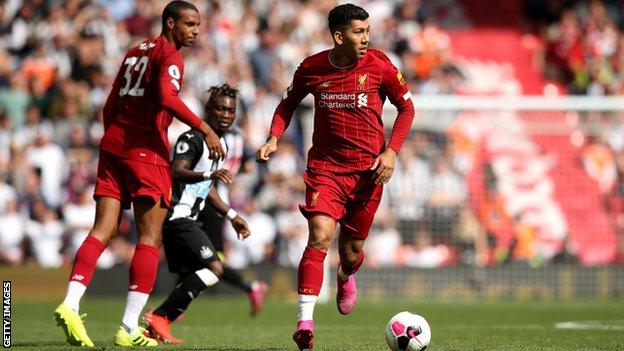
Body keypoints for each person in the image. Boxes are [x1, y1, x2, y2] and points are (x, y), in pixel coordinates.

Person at [53, 1, 225, 347]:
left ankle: (70, 303)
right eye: (189, 24)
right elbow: (166, 97)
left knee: (101, 229)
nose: (195, 31)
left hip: (114, 146)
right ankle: (128, 327)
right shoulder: (170, 56)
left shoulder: (135, 52)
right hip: (146, 153)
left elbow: (109, 105)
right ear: (171, 22)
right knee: (149, 240)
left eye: (198, 25)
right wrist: (205, 127)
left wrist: (114, 140)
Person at [256, 3, 415, 350]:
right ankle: (305, 321)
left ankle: (345, 275)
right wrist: (273, 136)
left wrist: (391, 153)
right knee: (318, 236)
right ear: (339, 36)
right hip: (326, 169)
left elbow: (406, 108)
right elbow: (288, 104)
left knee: (352, 251)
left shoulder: (381, 65)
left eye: (368, 31)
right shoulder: (312, 67)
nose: (366, 38)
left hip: (369, 174)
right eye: (359, 32)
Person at [144, 84, 251, 344]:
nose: (226, 114)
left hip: (190, 220)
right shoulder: (191, 139)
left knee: (204, 273)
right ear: (207, 110)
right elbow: (176, 171)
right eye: (220, 108)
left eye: (231, 110)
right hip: (176, 218)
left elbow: (207, 188)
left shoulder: (220, 143)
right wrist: (208, 174)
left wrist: (232, 215)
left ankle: (154, 329)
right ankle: (160, 316)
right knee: (214, 268)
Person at [198, 130, 268, 317]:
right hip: (217, 201)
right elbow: (248, 167)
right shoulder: (237, 136)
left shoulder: (214, 135)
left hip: (208, 201)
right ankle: (173, 308)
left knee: (210, 259)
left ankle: (251, 287)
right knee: (197, 254)